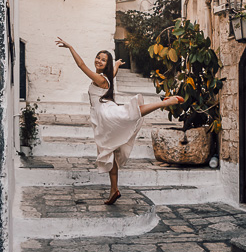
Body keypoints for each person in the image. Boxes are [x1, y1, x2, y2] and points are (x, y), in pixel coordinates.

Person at [56, 38, 183, 205]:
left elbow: (81, 65)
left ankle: (165, 102)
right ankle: (114, 189)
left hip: (105, 113)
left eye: (103, 60)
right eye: (98, 57)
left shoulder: (100, 79)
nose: (98, 61)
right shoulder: (107, 76)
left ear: (105, 64)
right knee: (110, 152)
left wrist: (71, 46)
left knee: (132, 112)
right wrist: (116, 64)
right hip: (102, 116)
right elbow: (113, 72)